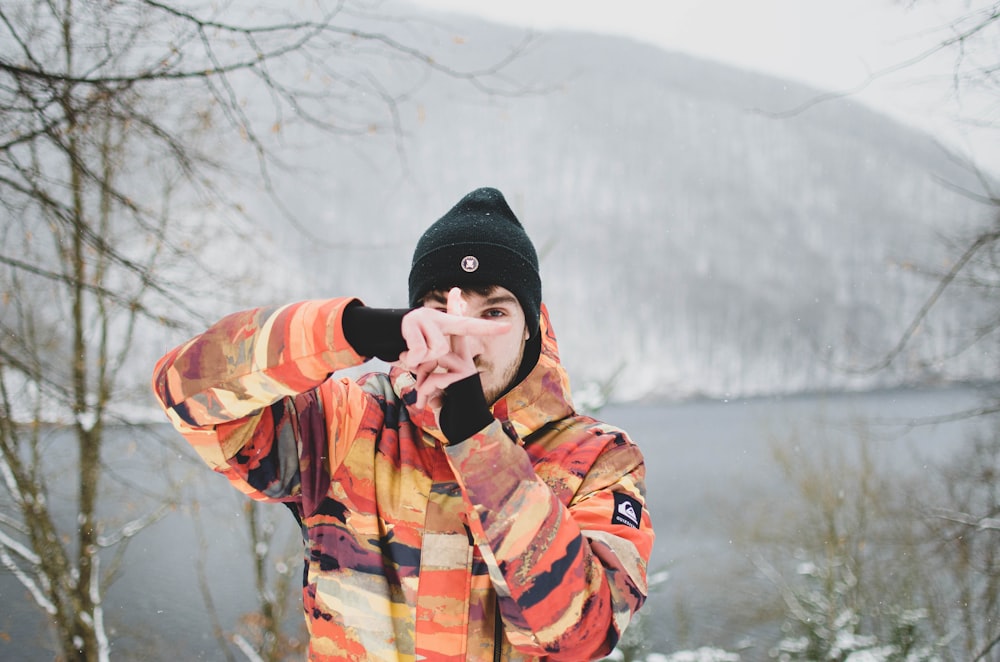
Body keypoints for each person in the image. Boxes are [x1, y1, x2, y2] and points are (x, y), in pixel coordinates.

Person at [152, 187, 654, 661]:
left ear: (531, 328)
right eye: (439, 310)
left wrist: (477, 442)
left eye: (494, 311)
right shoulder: (349, 424)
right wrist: (352, 329)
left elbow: (579, 634)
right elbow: (186, 390)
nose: (464, 336)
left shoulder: (597, 458)